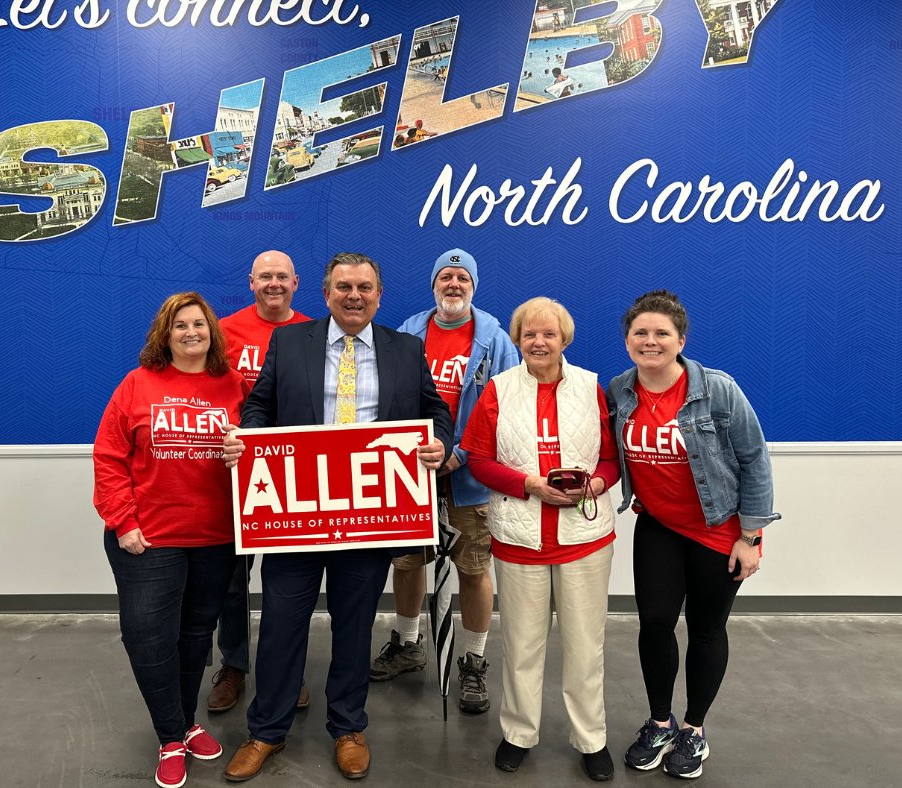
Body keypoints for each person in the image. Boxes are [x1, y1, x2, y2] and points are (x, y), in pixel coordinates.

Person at [221, 252, 453, 782]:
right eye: (344, 287)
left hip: (370, 516)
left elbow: (434, 410)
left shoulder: (406, 348)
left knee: (354, 627)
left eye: (365, 287)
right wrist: (247, 439)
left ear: (378, 294)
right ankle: (266, 732)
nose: (354, 295)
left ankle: (348, 727)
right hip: (295, 514)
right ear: (325, 294)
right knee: (281, 626)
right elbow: (259, 405)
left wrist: (440, 442)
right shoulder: (289, 343)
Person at [608, 290, 780, 779]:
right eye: (640, 332)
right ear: (627, 341)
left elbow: (755, 460)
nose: (650, 341)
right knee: (656, 622)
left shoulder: (717, 390)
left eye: (662, 333)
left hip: (719, 531)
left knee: (707, 628)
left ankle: (694, 730)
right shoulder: (621, 390)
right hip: (659, 526)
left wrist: (751, 537)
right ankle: (659, 722)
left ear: (680, 340)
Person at [93, 292, 251, 788]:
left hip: (214, 537)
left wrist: (242, 450)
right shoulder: (138, 384)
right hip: (149, 539)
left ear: (212, 332)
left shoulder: (233, 385)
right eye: (180, 325)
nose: (190, 333)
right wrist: (125, 522)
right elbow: (109, 457)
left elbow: (262, 450)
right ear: (165, 333)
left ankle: (186, 724)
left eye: (199, 325)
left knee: (194, 636)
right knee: (148, 637)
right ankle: (169, 736)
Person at [461, 297, 619, 781]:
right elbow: (478, 458)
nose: (539, 342)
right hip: (519, 536)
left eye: (549, 334)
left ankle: (591, 738)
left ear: (564, 339)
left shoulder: (592, 388)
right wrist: (528, 484)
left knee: (584, 645)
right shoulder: (498, 390)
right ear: (518, 339)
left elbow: (612, 461)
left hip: (584, 538)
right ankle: (518, 733)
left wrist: (594, 484)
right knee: (523, 644)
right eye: (530, 334)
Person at [369, 248, 518, 715]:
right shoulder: (410, 332)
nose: (453, 285)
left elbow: (506, 406)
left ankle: (473, 660)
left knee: (473, 568)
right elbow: (388, 398)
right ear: (433, 284)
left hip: (469, 479)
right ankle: (409, 644)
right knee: (408, 562)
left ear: (473, 286)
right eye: (445, 277)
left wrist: (463, 454)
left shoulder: (493, 338)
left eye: (462, 278)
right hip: (413, 474)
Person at [209, 250, 311, 716]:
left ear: (297, 283)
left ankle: (284, 669)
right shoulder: (223, 332)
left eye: (282, 277)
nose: (274, 283)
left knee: (288, 580)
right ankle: (234, 665)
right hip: (233, 471)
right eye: (265, 276)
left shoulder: (315, 332)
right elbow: (202, 392)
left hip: (295, 476)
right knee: (232, 581)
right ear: (251, 282)